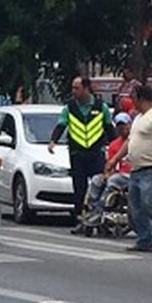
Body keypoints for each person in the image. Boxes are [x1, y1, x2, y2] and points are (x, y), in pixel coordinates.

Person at [105, 84, 152, 252]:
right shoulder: (139, 118)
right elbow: (129, 142)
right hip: (136, 169)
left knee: (150, 203)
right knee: (135, 207)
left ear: (140, 98)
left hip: (150, 168)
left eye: (133, 98)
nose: (132, 102)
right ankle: (144, 239)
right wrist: (115, 159)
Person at [49, 76, 113, 233]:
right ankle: (80, 219)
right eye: (73, 88)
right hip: (77, 154)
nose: (73, 91)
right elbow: (61, 125)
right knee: (79, 188)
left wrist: (116, 148)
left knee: (99, 187)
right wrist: (53, 141)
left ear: (86, 88)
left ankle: (99, 218)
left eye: (76, 88)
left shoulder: (100, 106)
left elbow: (109, 128)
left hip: (96, 153)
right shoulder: (69, 108)